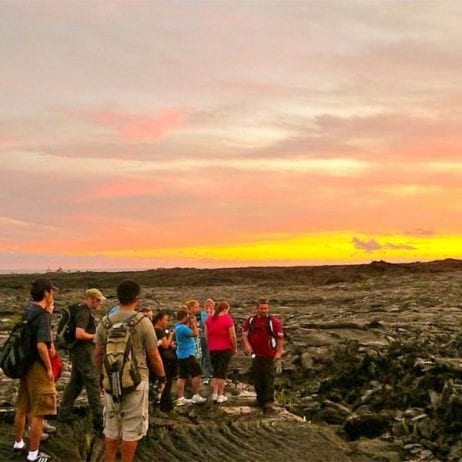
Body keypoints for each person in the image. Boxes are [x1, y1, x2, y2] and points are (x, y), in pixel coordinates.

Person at [94, 280, 166, 462]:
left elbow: (98, 353)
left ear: (118, 297)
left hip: (110, 380)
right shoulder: (143, 322)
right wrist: (162, 377)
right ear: (136, 298)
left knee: (111, 428)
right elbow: (154, 354)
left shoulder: (105, 322)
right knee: (131, 429)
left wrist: (100, 378)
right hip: (137, 380)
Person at [13, 277, 58, 462]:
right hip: (37, 369)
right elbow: (41, 345)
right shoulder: (42, 315)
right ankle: (34, 454)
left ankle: (18, 443)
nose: (53, 294)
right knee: (39, 412)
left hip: (25, 365)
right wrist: (49, 368)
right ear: (47, 292)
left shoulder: (29, 311)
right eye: (52, 291)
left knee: (22, 407)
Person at [57, 288, 106, 429]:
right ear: (90, 298)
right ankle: (98, 418)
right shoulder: (84, 313)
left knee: (76, 383)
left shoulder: (79, 310)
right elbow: (80, 334)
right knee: (93, 381)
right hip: (83, 351)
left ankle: (64, 413)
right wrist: (96, 336)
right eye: (97, 300)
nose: (99, 303)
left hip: (77, 351)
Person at [242, 298, 284, 411]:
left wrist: (279, 353)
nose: (264, 310)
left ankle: (269, 400)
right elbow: (245, 334)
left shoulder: (273, 322)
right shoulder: (251, 321)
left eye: (266, 308)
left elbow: (280, 338)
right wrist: (247, 345)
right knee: (257, 376)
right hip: (256, 354)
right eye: (262, 308)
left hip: (269, 354)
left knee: (268, 377)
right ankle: (259, 399)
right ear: (257, 309)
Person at [205, 301, 237, 403]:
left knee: (215, 371)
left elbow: (206, 335)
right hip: (225, 348)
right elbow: (233, 336)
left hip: (213, 348)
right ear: (225, 309)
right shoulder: (227, 319)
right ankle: (220, 395)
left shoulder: (208, 319)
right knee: (222, 372)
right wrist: (234, 347)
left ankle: (214, 393)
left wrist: (210, 345)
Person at [174, 309, 206, 405]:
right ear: (184, 317)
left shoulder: (178, 327)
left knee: (182, 376)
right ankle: (196, 395)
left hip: (181, 355)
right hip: (188, 354)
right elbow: (195, 334)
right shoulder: (182, 328)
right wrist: (194, 324)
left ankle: (180, 398)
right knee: (197, 373)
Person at [152, 310, 177, 411]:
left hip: (160, 357)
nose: (166, 322)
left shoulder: (153, 330)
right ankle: (165, 404)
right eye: (165, 320)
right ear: (159, 320)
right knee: (166, 381)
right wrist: (171, 335)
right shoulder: (158, 331)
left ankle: (162, 401)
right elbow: (165, 345)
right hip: (163, 359)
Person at [200, 299, 214, 384]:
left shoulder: (215, 314)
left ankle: (212, 372)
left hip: (213, 338)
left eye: (210, 305)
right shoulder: (202, 314)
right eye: (206, 305)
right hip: (204, 337)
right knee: (205, 356)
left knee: (212, 356)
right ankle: (205, 375)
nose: (208, 307)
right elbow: (204, 324)